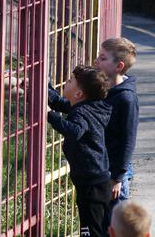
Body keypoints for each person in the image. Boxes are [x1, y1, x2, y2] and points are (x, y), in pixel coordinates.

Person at [50, 37, 139, 208]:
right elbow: (70, 106)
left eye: (103, 58)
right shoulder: (102, 91)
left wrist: (117, 177)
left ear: (119, 66)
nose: (96, 61)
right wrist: (45, 89)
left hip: (114, 174)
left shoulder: (126, 98)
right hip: (101, 169)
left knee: (115, 224)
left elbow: (128, 140)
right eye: (98, 56)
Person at [47, 65, 112, 237]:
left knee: (91, 230)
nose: (66, 83)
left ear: (78, 94)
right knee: (98, 227)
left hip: (91, 183)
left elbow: (75, 131)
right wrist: (45, 85)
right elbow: (61, 104)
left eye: (69, 81)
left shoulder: (81, 113)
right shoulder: (91, 106)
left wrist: (50, 115)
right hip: (97, 179)